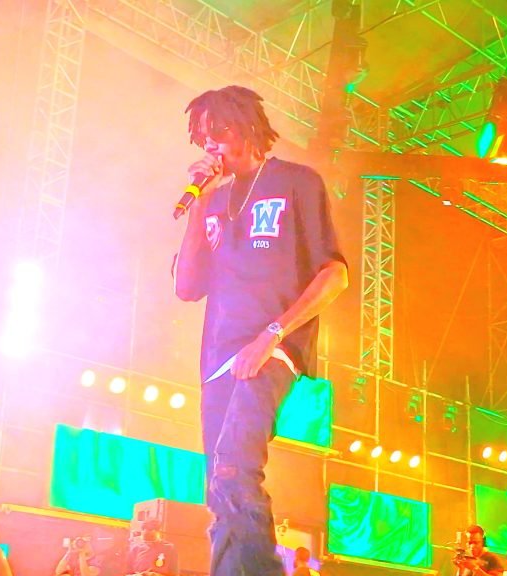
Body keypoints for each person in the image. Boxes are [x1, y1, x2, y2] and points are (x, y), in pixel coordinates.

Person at [173, 85, 348, 576]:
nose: (210, 145)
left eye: (218, 131)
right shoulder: (213, 201)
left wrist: (272, 334)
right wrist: (199, 206)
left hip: (271, 348)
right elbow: (186, 288)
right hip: (217, 361)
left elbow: (335, 274)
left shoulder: (295, 181)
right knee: (220, 490)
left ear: (248, 128)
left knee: (234, 465)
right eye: (202, 137)